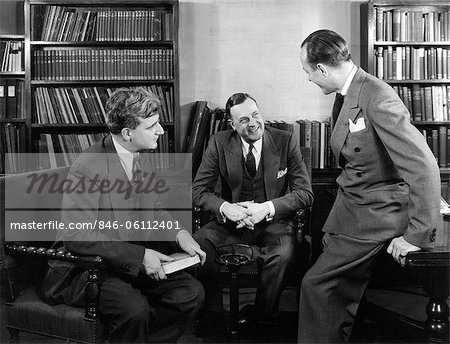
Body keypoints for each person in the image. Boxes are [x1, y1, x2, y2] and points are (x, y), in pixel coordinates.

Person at [298, 29, 441, 343]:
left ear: (321, 68)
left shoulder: (375, 94)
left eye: (308, 72)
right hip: (354, 209)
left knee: (317, 286)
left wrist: (417, 234)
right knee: (319, 283)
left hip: (377, 214)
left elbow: (423, 164)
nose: (308, 78)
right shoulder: (348, 95)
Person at [40, 87, 206, 343]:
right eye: (152, 126)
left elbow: (155, 207)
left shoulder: (139, 155)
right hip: (90, 266)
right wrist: (140, 257)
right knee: (134, 310)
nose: (160, 131)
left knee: (189, 292)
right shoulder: (88, 165)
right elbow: (77, 236)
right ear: (128, 133)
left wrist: (179, 233)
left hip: (126, 260)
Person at [192, 92, 314, 323]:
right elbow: (198, 191)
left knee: (284, 253)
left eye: (255, 115)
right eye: (244, 120)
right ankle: (213, 317)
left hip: (273, 223)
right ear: (233, 125)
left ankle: (261, 318)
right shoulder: (219, 142)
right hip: (231, 224)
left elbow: (305, 193)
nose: (253, 124)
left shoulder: (285, 140)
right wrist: (226, 207)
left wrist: (267, 208)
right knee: (199, 242)